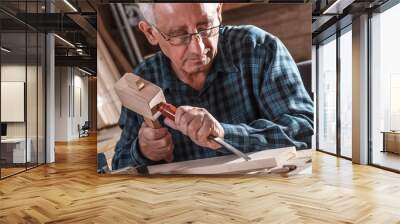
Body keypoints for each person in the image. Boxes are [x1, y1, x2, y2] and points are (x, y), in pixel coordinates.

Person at [112, 3, 314, 170]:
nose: (198, 48)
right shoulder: (142, 81)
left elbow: (305, 131)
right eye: (179, 35)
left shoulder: (259, 48)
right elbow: (119, 165)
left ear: (218, 12)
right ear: (150, 33)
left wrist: (225, 134)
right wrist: (142, 151)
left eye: (206, 27)